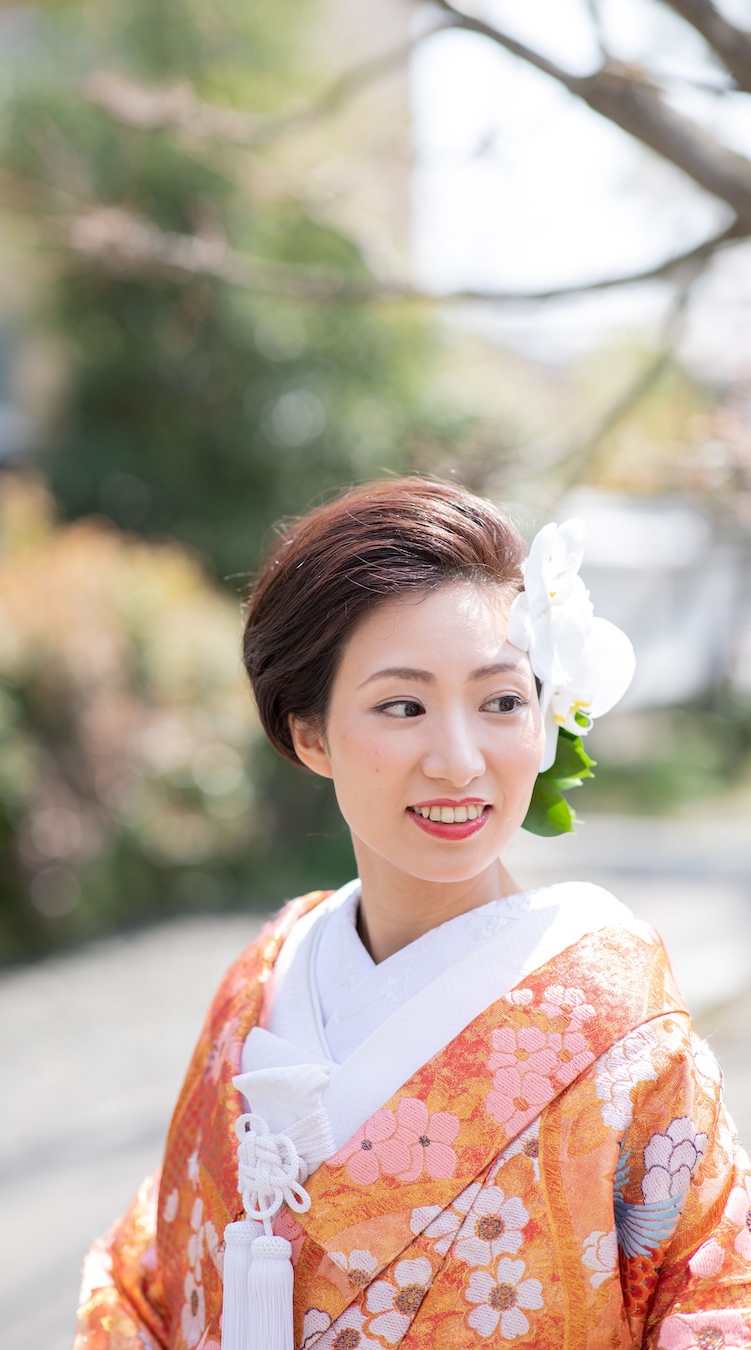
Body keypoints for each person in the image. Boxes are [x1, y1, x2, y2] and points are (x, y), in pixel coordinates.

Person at [73, 479, 751, 1350]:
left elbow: (718, 1306)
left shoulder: (619, 1023)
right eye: (403, 706)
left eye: (503, 701)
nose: (460, 761)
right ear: (308, 733)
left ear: (547, 720)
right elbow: (153, 1278)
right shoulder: (263, 978)